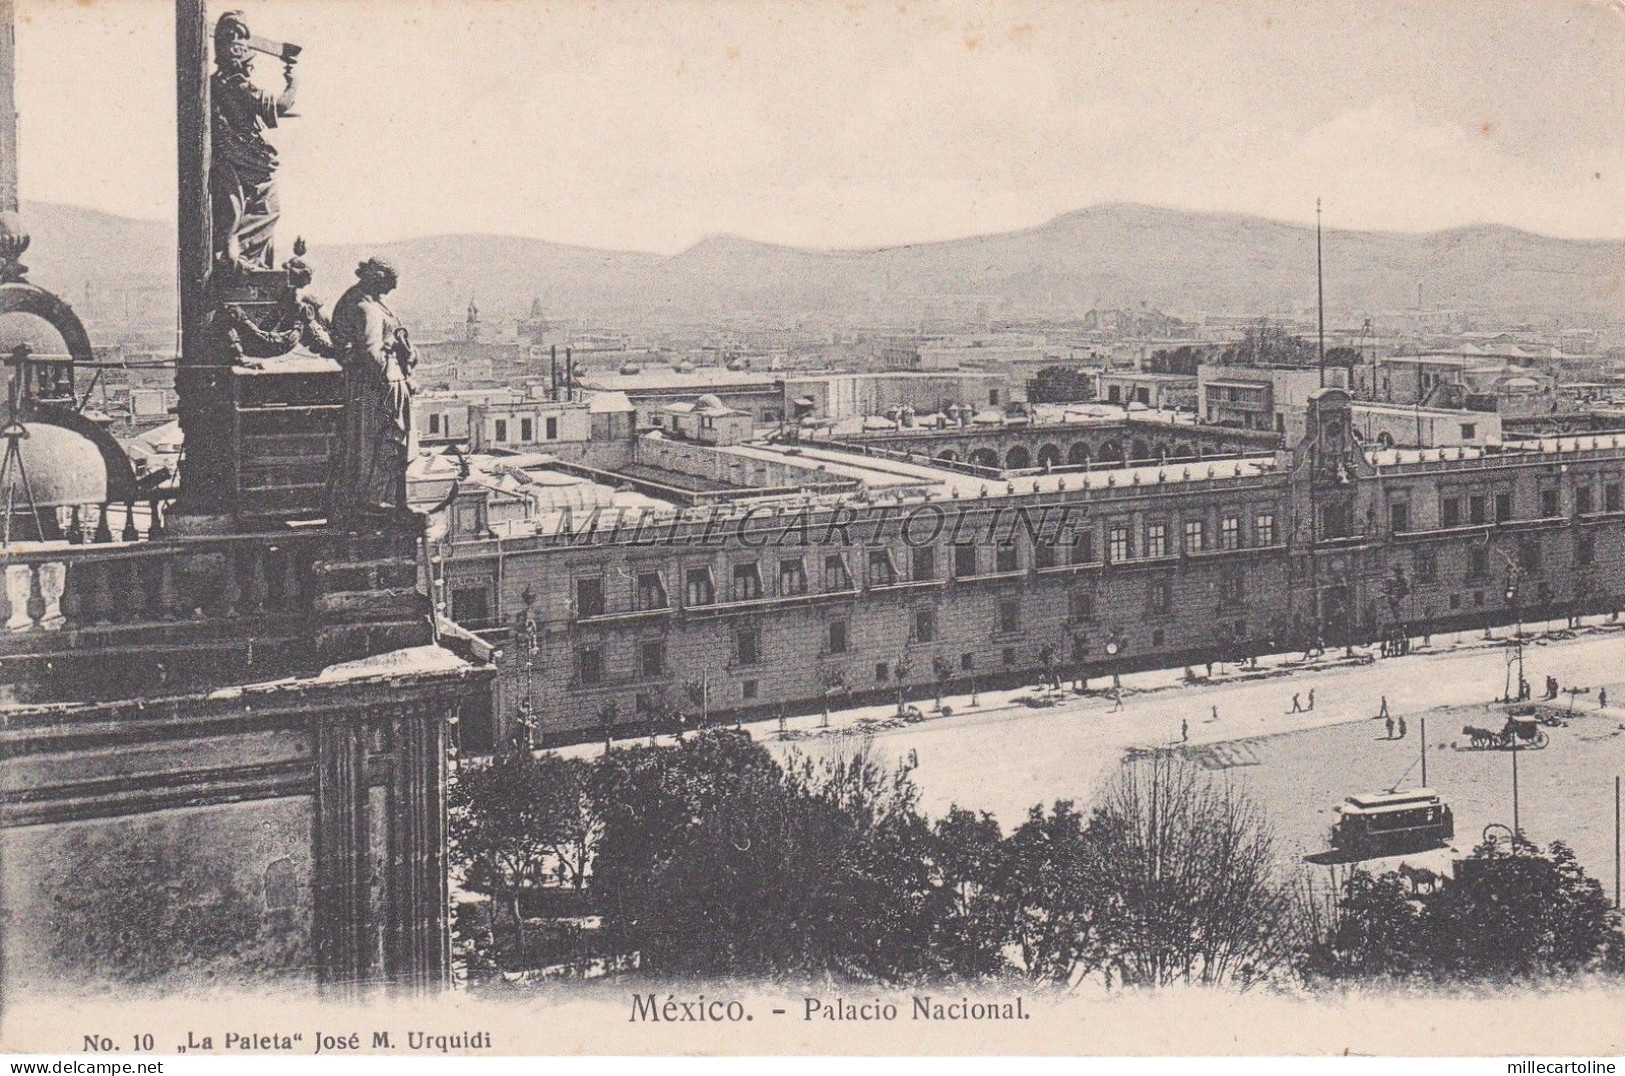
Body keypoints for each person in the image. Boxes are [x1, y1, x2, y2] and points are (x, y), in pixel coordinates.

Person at [209, 12, 299, 271]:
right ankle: (238, 252)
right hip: (248, 157)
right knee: (269, 207)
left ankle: (241, 253)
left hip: (240, 154)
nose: (251, 69)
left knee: (252, 207)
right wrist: (293, 83)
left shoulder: (218, 84)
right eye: (249, 64)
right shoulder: (238, 85)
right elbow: (280, 105)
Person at [329, 258, 416, 520]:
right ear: (377, 277)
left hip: (377, 384)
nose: (391, 290)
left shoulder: (365, 301)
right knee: (387, 440)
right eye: (390, 283)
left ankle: (379, 498)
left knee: (382, 442)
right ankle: (377, 499)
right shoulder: (365, 306)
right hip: (379, 387)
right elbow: (371, 353)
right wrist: (395, 378)